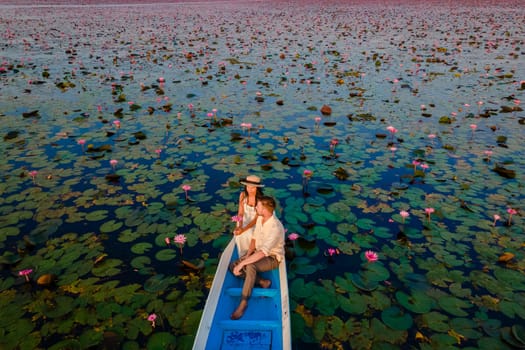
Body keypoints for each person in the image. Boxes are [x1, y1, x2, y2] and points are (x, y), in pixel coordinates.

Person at [229, 195, 285, 320]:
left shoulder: (275, 227)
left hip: (272, 257)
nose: (255, 207)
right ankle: (263, 282)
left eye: (258, 206)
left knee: (250, 265)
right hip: (258, 252)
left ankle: (243, 302)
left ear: (264, 209)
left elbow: (263, 253)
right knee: (232, 266)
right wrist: (247, 255)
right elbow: (254, 239)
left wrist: (243, 263)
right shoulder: (261, 218)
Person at [234, 175, 264, 257]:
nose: (250, 190)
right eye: (248, 187)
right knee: (238, 233)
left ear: (257, 188)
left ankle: (251, 253)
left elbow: (256, 219)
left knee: (249, 233)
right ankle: (242, 254)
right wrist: (240, 226)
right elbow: (240, 213)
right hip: (243, 220)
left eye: (253, 188)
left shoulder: (260, 199)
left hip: (256, 223)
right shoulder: (243, 195)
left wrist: (243, 229)